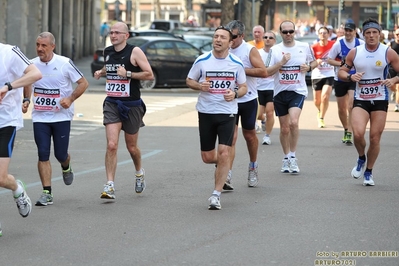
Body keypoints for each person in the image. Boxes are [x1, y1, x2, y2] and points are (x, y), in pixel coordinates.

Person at [186, 25, 247, 210]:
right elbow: (189, 80)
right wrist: (200, 86)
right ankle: (224, 165)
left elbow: (244, 87)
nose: (218, 40)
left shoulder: (236, 63)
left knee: (224, 152)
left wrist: (235, 94)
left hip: (227, 112)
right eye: (215, 37)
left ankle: (216, 195)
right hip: (206, 111)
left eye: (222, 37)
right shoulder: (202, 60)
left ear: (230, 42)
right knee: (207, 156)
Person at [27, 32, 89, 206]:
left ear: (52, 46)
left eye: (44, 45)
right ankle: (47, 192)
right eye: (38, 45)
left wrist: (70, 99)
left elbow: (83, 83)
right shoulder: (31, 64)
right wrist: (26, 100)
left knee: (60, 154)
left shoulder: (64, 63)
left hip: (61, 116)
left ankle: (66, 165)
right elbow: (27, 83)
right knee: (43, 153)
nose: (40, 48)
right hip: (40, 117)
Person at [94, 22, 154, 199]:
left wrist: (128, 74)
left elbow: (149, 74)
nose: (113, 35)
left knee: (132, 147)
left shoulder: (135, 52)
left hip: (131, 105)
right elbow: (110, 67)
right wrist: (101, 72)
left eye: (117, 33)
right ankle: (110, 185)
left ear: (126, 36)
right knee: (112, 145)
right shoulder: (108, 51)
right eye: (111, 32)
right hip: (112, 102)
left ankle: (139, 172)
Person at [338, 18, 399, 186]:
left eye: (374, 32)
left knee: (375, 138)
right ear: (363, 35)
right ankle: (361, 157)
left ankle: (369, 172)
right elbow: (341, 72)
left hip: (380, 99)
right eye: (368, 33)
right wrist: (350, 76)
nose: (371, 36)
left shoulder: (388, 52)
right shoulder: (355, 52)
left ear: (380, 34)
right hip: (361, 99)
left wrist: (394, 79)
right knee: (358, 134)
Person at [265, 20, 317, 174]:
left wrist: (308, 67)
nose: (288, 34)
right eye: (285, 32)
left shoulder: (304, 47)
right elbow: (267, 71)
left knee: (294, 122)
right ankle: (286, 156)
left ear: (295, 32)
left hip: (298, 90)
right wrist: (281, 62)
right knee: (284, 128)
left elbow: (314, 62)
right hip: (280, 92)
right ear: (280, 33)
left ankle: (293, 156)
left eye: (291, 31)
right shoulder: (275, 50)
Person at [0, 42, 42, 222]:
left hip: (5, 121)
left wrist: (9, 86)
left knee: (1, 178)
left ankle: (17, 188)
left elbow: (35, 74)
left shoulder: (9, 52)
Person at [225, 20, 268, 188]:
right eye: (228, 35)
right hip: (230, 100)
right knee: (231, 138)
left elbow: (263, 71)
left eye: (233, 36)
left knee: (249, 136)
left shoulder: (249, 50)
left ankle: (253, 165)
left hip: (248, 99)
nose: (230, 39)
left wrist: (240, 70)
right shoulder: (224, 49)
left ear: (241, 36)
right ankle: (227, 173)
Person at [327, 21, 364, 144]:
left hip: (354, 78)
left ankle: (349, 132)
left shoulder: (360, 44)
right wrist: (341, 64)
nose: (348, 33)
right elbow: (329, 59)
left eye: (350, 31)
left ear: (355, 32)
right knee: (342, 108)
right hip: (340, 78)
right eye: (346, 30)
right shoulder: (339, 44)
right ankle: (346, 128)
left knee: (351, 105)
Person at [310, 26, 335, 128]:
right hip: (317, 75)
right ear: (318, 34)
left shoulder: (333, 45)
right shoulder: (314, 47)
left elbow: (339, 55)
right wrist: (317, 62)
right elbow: (310, 62)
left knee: (325, 96)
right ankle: (320, 110)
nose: (323, 35)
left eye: (325, 33)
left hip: (329, 74)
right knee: (317, 101)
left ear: (329, 34)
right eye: (321, 33)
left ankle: (321, 118)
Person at [257, 30, 277, 145]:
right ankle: (263, 120)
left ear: (274, 40)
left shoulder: (277, 53)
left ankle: (267, 136)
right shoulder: (258, 53)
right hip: (259, 87)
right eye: (265, 37)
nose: (267, 39)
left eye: (270, 37)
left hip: (272, 87)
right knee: (259, 115)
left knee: (270, 112)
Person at [388, 28, 399, 112]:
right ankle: (394, 92)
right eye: (397, 34)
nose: (398, 36)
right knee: (392, 86)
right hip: (392, 68)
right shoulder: (391, 44)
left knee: (398, 87)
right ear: (395, 35)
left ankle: (397, 105)